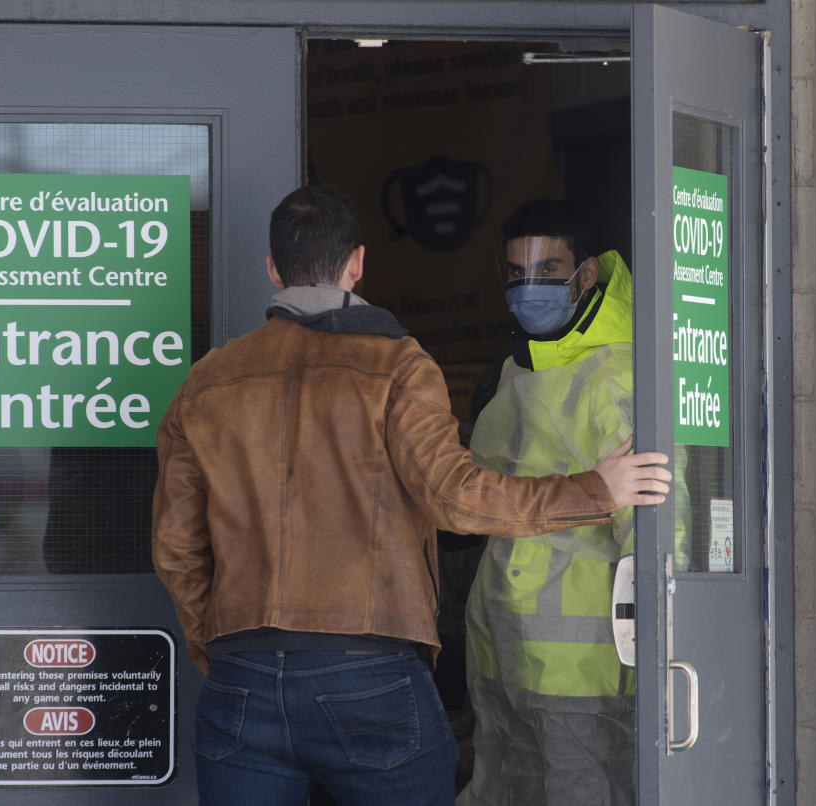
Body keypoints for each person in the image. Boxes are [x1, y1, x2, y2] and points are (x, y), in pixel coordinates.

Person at [151, 185, 670, 806]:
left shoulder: (206, 382)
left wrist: (222, 648)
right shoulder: (395, 365)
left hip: (243, 669)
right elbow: (453, 498)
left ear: (273, 269)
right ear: (358, 263)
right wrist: (593, 492)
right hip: (369, 667)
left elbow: (177, 547)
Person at [457, 198, 644, 806]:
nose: (528, 286)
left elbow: (650, 533)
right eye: (516, 273)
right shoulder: (519, 368)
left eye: (547, 271)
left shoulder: (616, 375)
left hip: (581, 661)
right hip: (502, 649)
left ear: (586, 275)